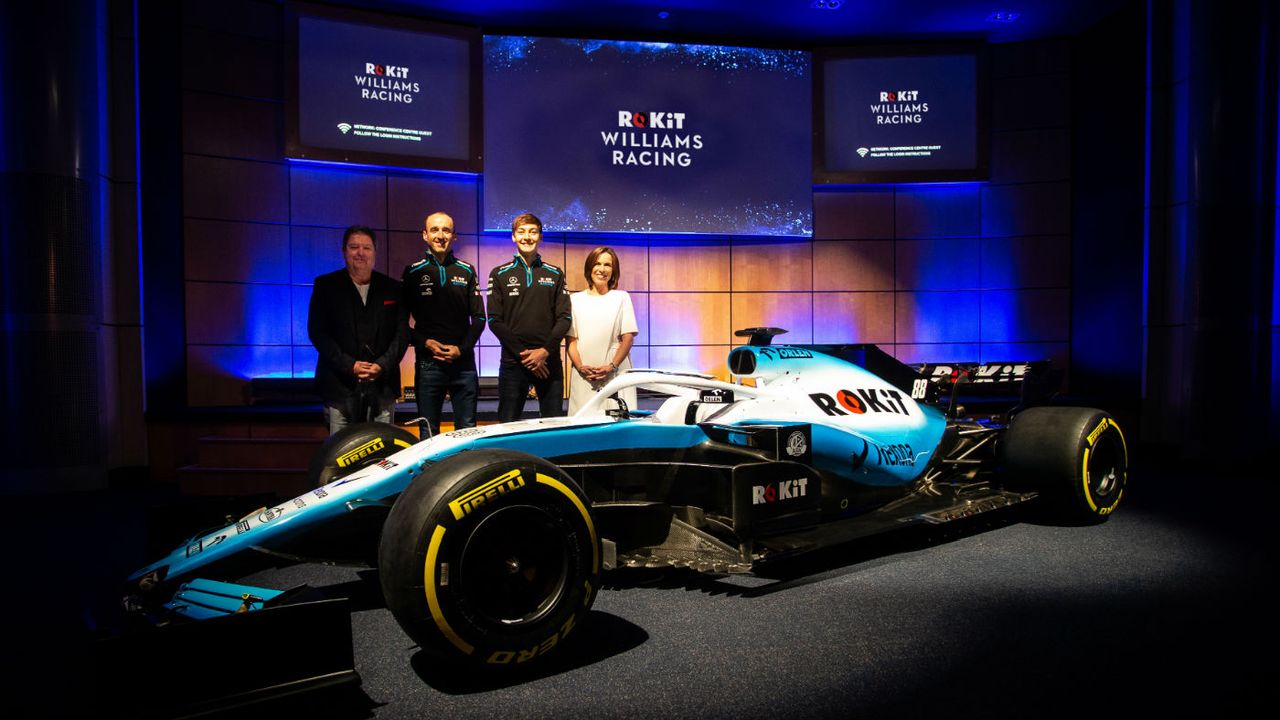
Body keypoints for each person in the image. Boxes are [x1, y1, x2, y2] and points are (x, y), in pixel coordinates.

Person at [308, 225, 408, 434]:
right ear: (344, 251)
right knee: (340, 457)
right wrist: (350, 365)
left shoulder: (393, 288)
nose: (360, 253)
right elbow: (318, 332)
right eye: (354, 247)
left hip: (382, 386)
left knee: (383, 456)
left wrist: (381, 365)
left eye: (366, 247)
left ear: (375, 253)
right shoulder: (326, 286)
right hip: (339, 387)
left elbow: (402, 334)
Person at [401, 211, 485, 437]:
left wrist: (462, 349)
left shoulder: (467, 270)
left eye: (446, 230)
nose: (440, 235)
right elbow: (399, 322)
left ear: (454, 236)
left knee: (467, 432)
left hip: (463, 364)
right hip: (429, 364)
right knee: (428, 432)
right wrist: (425, 342)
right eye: (435, 230)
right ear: (425, 235)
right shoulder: (413, 272)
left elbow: (479, 318)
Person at [487, 213, 572, 422]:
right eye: (521, 232)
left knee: (554, 425)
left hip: (549, 361)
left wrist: (543, 352)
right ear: (513, 237)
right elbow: (495, 321)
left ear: (540, 236)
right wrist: (526, 355)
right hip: (514, 363)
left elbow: (565, 318)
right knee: (507, 425)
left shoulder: (555, 274)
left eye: (533, 232)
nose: (527, 237)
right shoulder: (499, 274)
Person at [566, 247, 639, 415]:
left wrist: (611, 366)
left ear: (614, 271)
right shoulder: (574, 300)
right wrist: (580, 367)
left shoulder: (621, 297)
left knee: (618, 421)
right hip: (584, 372)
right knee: (582, 422)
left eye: (608, 265)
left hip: (616, 370)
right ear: (589, 267)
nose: (602, 269)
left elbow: (627, 338)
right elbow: (571, 340)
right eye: (597, 264)